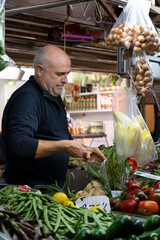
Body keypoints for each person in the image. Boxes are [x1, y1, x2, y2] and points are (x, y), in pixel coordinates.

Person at [2, 44, 105, 188]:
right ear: (40, 70)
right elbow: (19, 145)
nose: (66, 80)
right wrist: (65, 146)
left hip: (51, 190)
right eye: (59, 74)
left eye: (67, 74)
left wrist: (85, 150)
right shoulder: (28, 98)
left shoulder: (53, 96)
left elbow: (56, 138)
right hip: (29, 193)